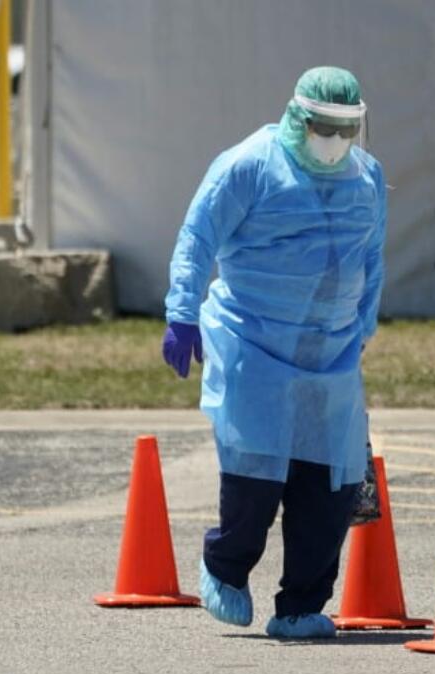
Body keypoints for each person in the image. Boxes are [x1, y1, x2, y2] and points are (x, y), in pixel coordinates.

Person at [162, 66, 386, 639]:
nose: (335, 141)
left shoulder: (367, 178)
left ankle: (300, 607)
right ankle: (226, 567)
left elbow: (372, 256)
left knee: (329, 491)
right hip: (254, 346)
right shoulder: (251, 164)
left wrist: (363, 322)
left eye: (346, 129)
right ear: (297, 117)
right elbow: (197, 235)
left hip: (331, 356)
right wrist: (182, 313)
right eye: (324, 127)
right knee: (255, 477)